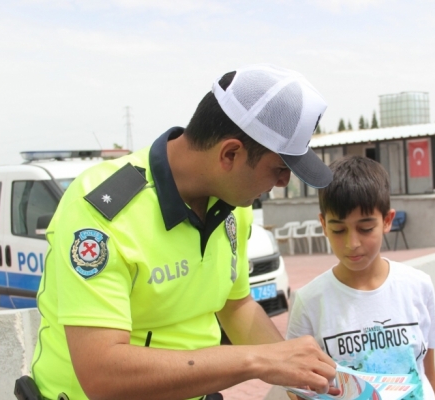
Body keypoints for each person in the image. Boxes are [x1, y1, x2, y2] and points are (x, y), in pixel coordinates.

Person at [29, 64, 337, 400]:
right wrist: (258, 361)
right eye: (279, 169)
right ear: (230, 154)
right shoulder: (102, 212)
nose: (283, 183)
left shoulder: (234, 208)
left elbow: (236, 307)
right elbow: (102, 374)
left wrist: (299, 379)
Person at [286, 156, 435, 400]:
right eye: (339, 230)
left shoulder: (418, 286)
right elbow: (296, 388)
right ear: (324, 225)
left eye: (366, 228)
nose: (353, 243)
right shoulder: (310, 301)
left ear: (387, 221)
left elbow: (427, 372)